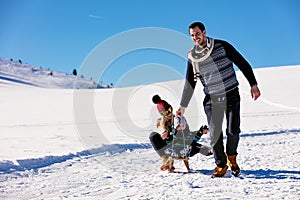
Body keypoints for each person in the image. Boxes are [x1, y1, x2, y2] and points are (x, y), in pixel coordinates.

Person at [177, 22, 261, 177]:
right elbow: (190, 81)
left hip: (231, 94)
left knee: (233, 130)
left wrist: (253, 84)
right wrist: (183, 105)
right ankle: (220, 165)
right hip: (212, 98)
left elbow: (242, 64)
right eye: (192, 35)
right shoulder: (193, 57)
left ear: (204, 32)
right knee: (215, 133)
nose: (195, 37)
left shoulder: (222, 46)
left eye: (197, 33)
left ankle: (232, 158)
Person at [149, 94, 212, 171]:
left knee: (198, 147)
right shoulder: (160, 123)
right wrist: (166, 135)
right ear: (162, 114)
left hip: (184, 145)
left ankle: (214, 152)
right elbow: (163, 134)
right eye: (166, 113)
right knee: (153, 136)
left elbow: (186, 133)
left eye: (170, 110)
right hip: (170, 148)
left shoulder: (178, 119)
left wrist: (200, 132)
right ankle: (167, 161)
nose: (169, 114)